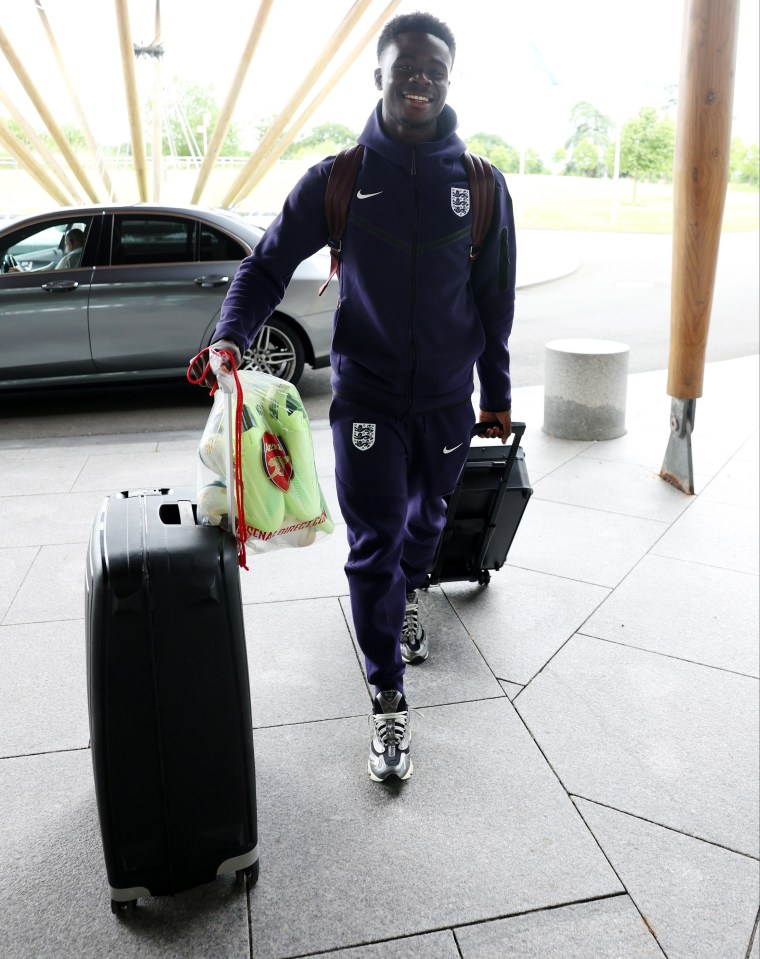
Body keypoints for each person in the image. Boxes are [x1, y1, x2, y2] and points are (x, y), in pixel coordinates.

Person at [193, 11, 516, 783]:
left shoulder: (479, 186)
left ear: (448, 78)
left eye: (434, 67)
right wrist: (232, 333)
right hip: (367, 398)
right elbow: (264, 265)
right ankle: (388, 699)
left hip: (445, 403)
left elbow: (494, 300)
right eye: (406, 65)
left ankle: (409, 592)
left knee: (427, 522)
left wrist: (496, 393)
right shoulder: (338, 178)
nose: (420, 78)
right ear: (379, 75)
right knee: (372, 545)